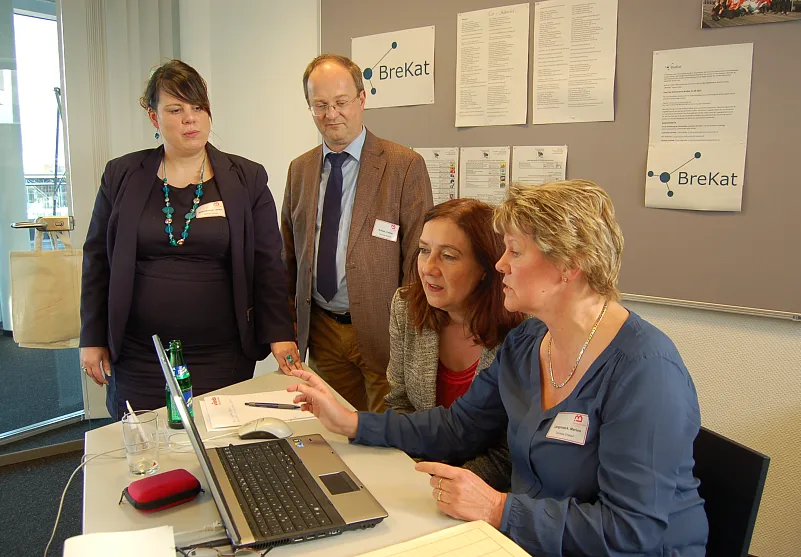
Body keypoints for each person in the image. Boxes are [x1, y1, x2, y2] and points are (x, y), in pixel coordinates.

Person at [287, 181, 709, 556]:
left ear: (570, 265)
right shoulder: (528, 342)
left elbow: (632, 533)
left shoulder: (645, 372)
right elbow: (459, 427)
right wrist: (352, 423)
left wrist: (497, 508)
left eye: (516, 252)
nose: (500, 264)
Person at [80, 60, 298, 420]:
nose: (190, 119)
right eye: (175, 109)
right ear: (154, 117)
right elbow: (97, 260)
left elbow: (267, 263)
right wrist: (92, 336)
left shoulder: (247, 178)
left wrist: (280, 333)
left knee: (217, 442)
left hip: (221, 353)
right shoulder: (122, 174)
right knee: (146, 443)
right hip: (140, 353)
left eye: (198, 107)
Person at [281, 54, 433, 413]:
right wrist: (286, 328)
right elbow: (288, 256)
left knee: (386, 434)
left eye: (341, 102)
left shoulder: (403, 165)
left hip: (384, 334)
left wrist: (410, 338)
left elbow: (418, 259)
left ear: (361, 99)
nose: (331, 114)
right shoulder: (300, 169)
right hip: (322, 333)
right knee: (334, 430)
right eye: (320, 105)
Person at [386, 198, 525, 491]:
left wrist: (443, 486)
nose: (429, 268)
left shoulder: (523, 331)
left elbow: (510, 452)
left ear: (486, 267)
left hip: (485, 491)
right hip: (419, 477)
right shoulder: (406, 306)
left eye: (448, 256)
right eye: (424, 251)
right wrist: (415, 474)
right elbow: (400, 403)